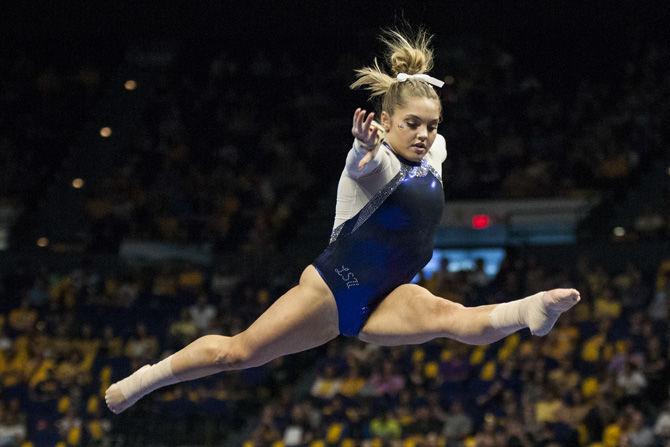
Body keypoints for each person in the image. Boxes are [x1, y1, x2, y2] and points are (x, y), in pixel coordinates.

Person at [105, 29, 580, 414]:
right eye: (411, 123)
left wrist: (420, 118)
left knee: (450, 319)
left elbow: (427, 138)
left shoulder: (435, 151)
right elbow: (362, 165)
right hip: (332, 288)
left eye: (431, 125)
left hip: (386, 296)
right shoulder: (377, 162)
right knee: (239, 354)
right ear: (385, 121)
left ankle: (532, 309)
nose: (423, 134)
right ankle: (147, 378)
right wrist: (362, 145)